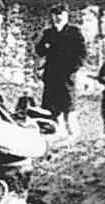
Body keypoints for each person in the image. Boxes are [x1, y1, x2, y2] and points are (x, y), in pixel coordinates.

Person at [35, 3, 87, 136]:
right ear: (52, 16)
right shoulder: (48, 33)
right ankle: (53, 133)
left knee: (68, 106)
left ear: (66, 15)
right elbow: (39, 51)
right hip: (51, 75)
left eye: (61, 14)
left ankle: (72, 133)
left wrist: (73, 68)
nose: (58, 17)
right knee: (50, 106)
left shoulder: (74, 32)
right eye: (56, 14)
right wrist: (45, 46)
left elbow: (82, 54)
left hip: (66, 76)